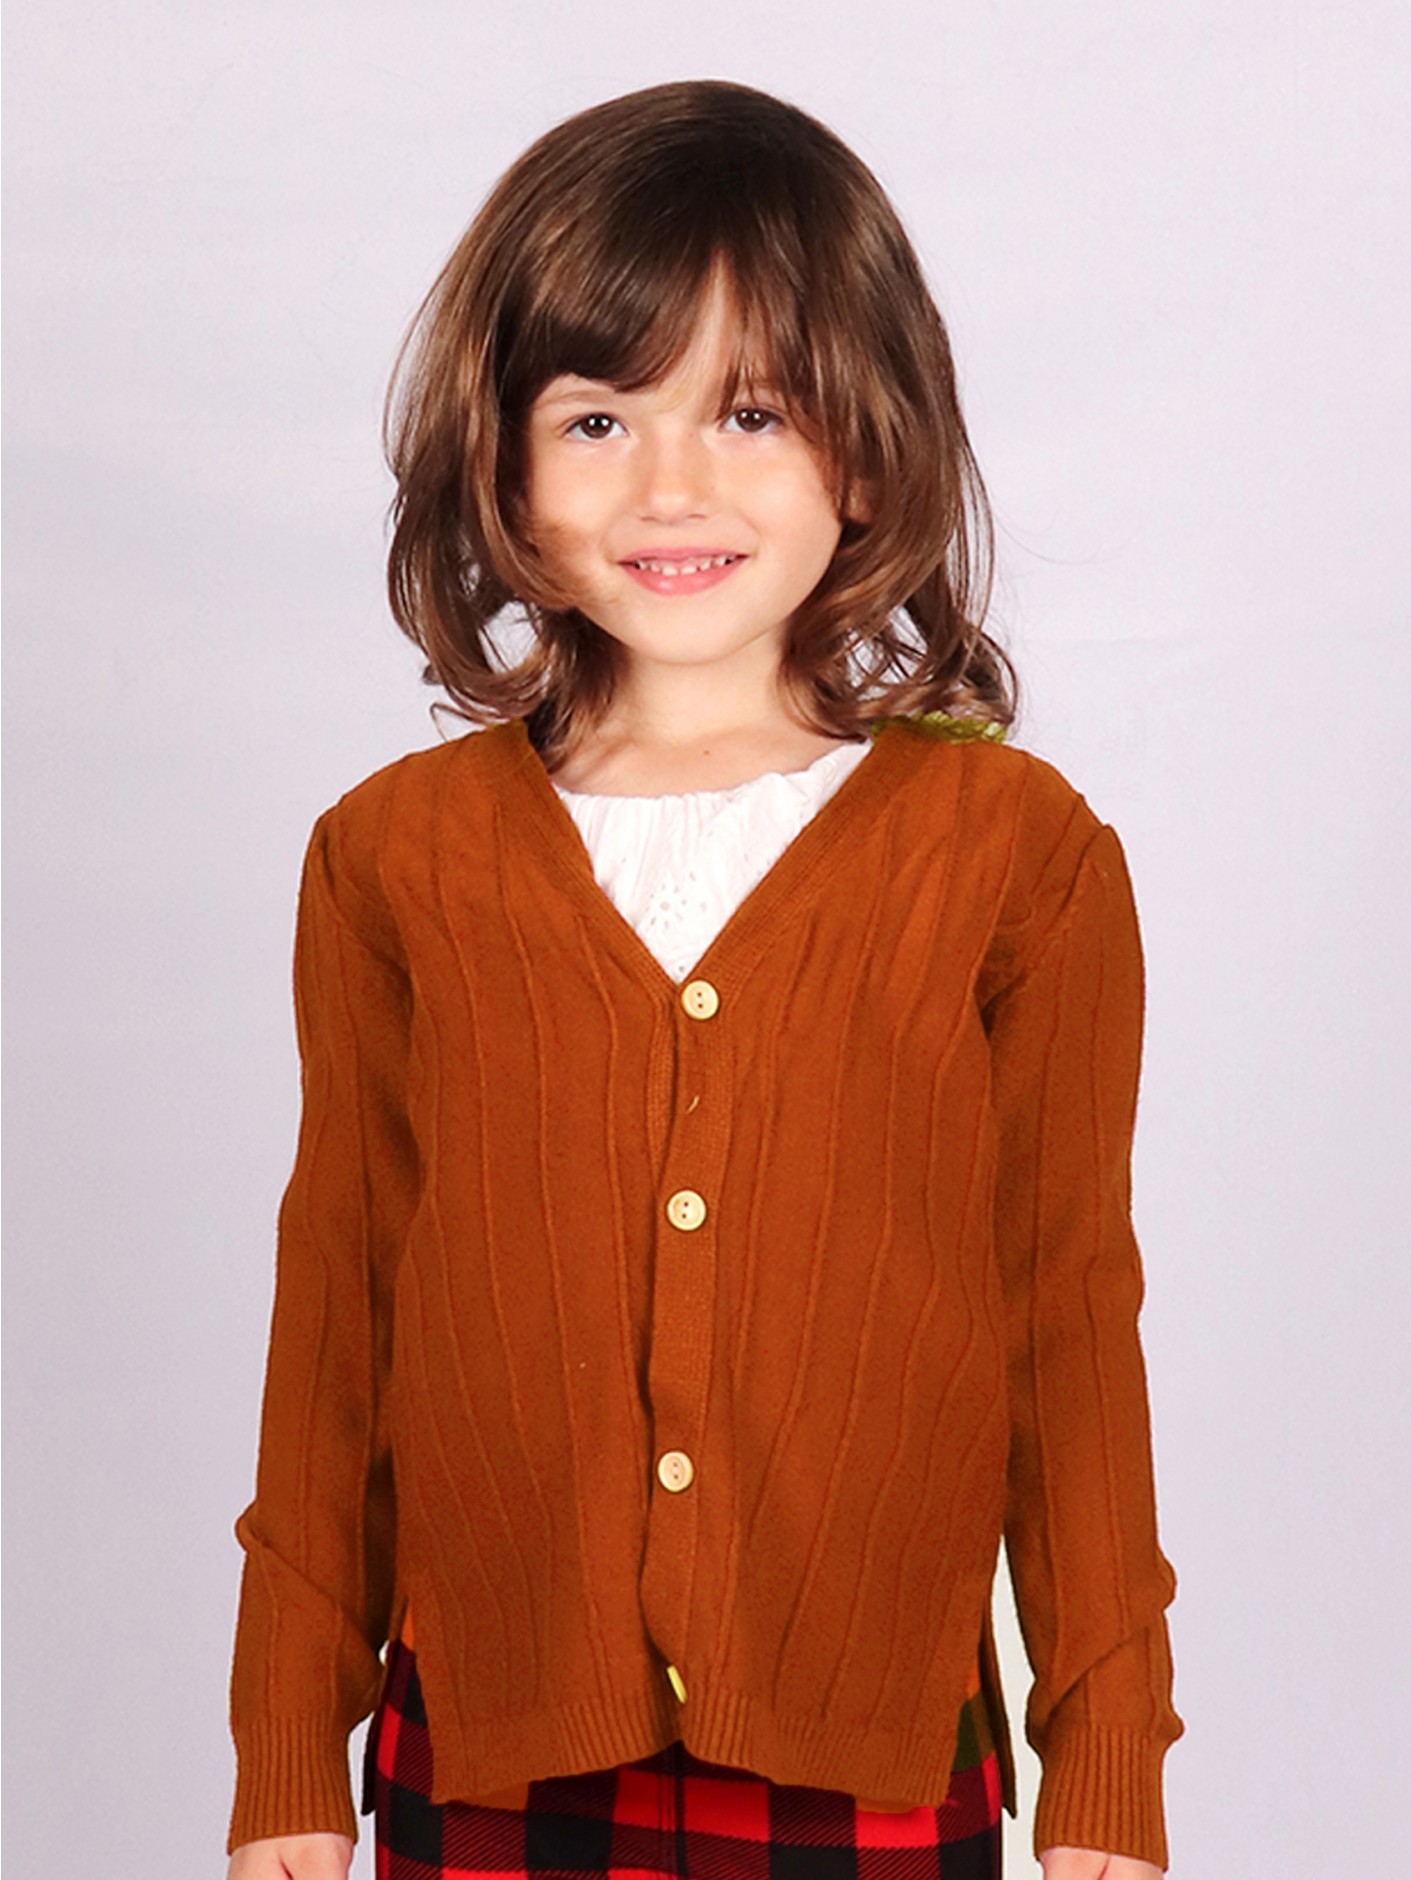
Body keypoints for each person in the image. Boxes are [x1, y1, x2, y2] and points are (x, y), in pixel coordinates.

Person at [224, 80, 1182, 1880]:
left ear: (870, 450)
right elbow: (342, 1312)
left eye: (750, 412)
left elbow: (1067, 1325)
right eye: (599, 418)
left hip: (874, 1748)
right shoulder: (392, 860)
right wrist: (287, 1738)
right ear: (504, 463)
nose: (673, 488)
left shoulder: (1017, 857)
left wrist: (1109, 1760)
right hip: (487, 1744)